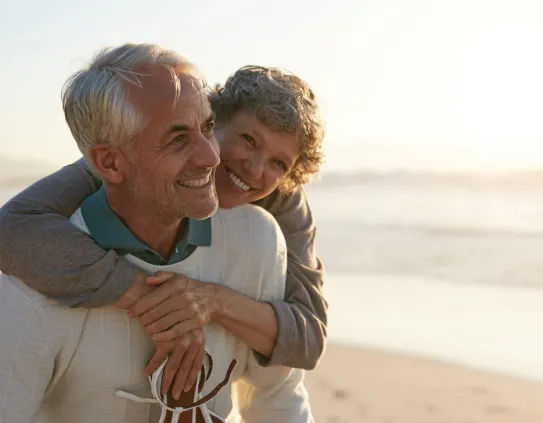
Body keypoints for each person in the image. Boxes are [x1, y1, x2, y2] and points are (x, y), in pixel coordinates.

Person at [0, 43, 312, 423]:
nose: (211, 158)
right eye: (178, 138)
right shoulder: (31, 280)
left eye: (206, 127)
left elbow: (288, 382)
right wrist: (154, 302)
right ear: (110, 161)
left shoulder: (261, 236)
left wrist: (210, 300)